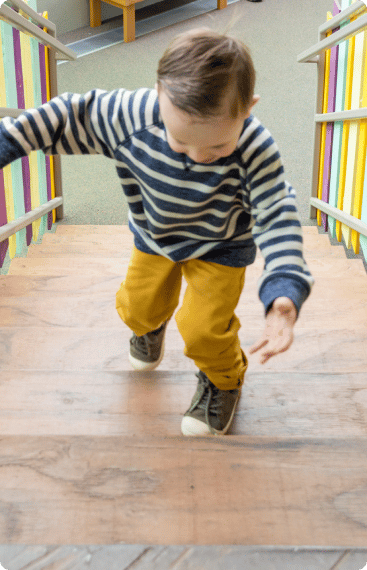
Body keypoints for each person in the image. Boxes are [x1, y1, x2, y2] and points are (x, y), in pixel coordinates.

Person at [0, 28, 314, 437]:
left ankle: (224, 380)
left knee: (203, 330)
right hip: (154, 237)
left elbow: (276, 212)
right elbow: (67, 115)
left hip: (222, 246)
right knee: (136, 308)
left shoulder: (256, 147)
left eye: (218, 147)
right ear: (159, 95)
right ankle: (149, 328)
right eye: (181, 142)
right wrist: (8, 142)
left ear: (248, 109)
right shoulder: (131, 114)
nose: (201, 157)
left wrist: (285, 294)